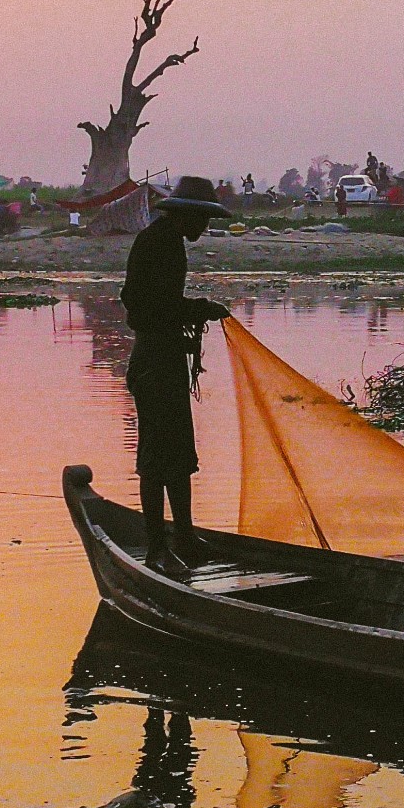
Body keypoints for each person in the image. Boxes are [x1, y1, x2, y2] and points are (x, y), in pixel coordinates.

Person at [121, 175, 233, 575]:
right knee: (155, 458)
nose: (204, 228)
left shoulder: (169, 241)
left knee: (180, 454)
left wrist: (184, 321)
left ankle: (184, 536)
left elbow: (159, 306)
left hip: (165, 357)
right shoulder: (157, 242)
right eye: (201, 219)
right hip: (153, 362)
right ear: (184, 215)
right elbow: (140, 303)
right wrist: (198, 309)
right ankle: (156, 548)